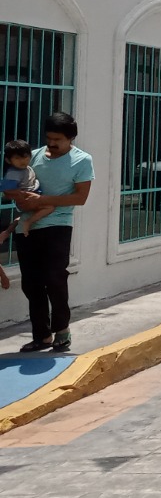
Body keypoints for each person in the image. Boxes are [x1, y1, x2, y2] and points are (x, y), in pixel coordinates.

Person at [5, 113, 93, 353]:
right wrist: (18, 199)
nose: (52, 144)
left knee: (54, 278)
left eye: (58, 139)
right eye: (49, 138)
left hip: (58, 225)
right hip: (28, 226)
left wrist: (42, 200)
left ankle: (62, 331)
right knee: (31, 284)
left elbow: (80, 197)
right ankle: (41, 335)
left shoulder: (82, 161)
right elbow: (16, 183)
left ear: (71, 138)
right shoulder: (32, 156)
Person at [1, 138, 57, 290]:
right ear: (8, 160)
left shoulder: (25, 168)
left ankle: (9, 231)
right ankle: (28, 222)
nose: (23, 160)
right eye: (18, 158)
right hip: (28, 198)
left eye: (25, 156)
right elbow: (6, 190)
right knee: (50, 206)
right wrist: (21, 195)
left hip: (33, 196)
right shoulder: (13, 172)